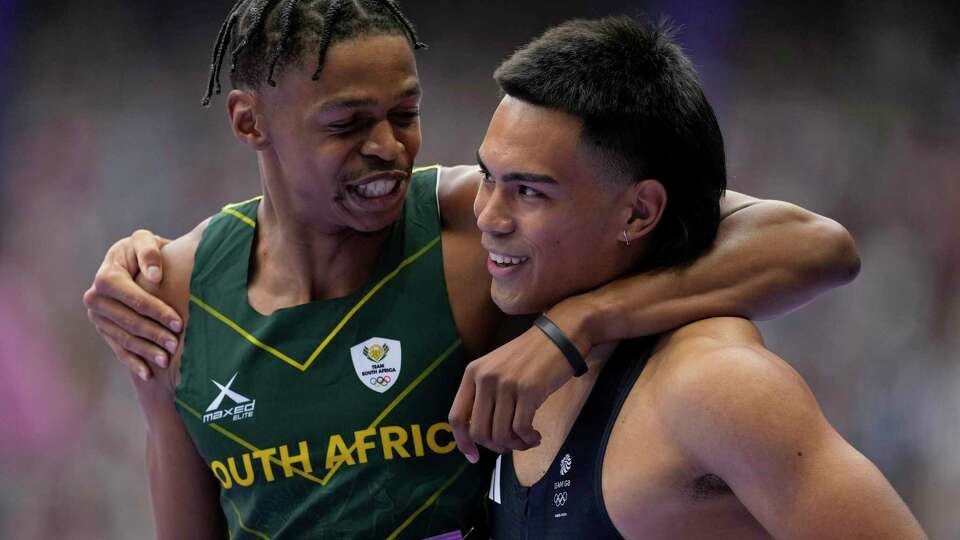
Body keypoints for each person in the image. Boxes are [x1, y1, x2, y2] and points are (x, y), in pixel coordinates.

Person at [82, 2, 861, 538]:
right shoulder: (176, 287)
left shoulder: (468, 226)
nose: (389, 146)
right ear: (250, 121)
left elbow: (814, 244)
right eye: (349, 123)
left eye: (406, 113)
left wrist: (574, 325)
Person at [475, 16, 925, 539]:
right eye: (487, 176)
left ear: (639, 213)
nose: (487, 216)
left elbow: (822, 242)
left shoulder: (717, 386)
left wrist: (585, 318)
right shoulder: (519, 317)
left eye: (530, 192)